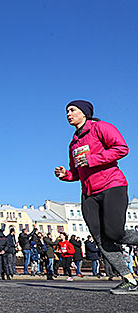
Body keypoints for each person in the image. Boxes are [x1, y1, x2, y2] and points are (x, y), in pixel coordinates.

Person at [55, 100, 138, 294]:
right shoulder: (73, 142)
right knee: (100, 238)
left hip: (112, 185)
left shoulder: (101, 127)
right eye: (66, 111)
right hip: (89, 193)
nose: (68, 113)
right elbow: (76, 172)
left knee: (115, 233)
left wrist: (92, 159)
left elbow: (121, 148)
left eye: (72, 110)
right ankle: (129, 280)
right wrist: (65, 174)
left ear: (84, 113)